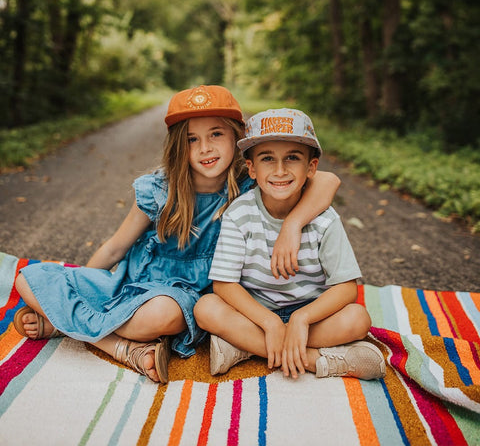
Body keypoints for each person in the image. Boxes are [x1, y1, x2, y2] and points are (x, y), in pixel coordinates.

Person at [13, 86, 341, 384]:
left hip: (186, 301)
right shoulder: (160, 190)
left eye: (216, 134)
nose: (205, 148)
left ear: (237, 138)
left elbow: (327, 181)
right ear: (177, 145)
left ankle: (64, 322)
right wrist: (85, 285)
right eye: (191, 139)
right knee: (28, 279)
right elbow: (115, 247)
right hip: (133, 288)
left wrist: (292, 225)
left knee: (164, 314)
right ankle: (112, 343)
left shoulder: (249, 183)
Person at [194, 108, 386, 381]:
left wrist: (301, 319)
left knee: (357, 319)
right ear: (251, 168)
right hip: (257, 314)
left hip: (311, 315)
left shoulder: (325, 221)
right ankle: (318, 360)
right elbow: (224, 284)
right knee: (206, 308)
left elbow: (345, 288)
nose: (280, 170)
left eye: (292, 158)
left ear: (311, 167)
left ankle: (247, 348)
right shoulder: (239, 214)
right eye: (267, 159)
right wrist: (270, 321)